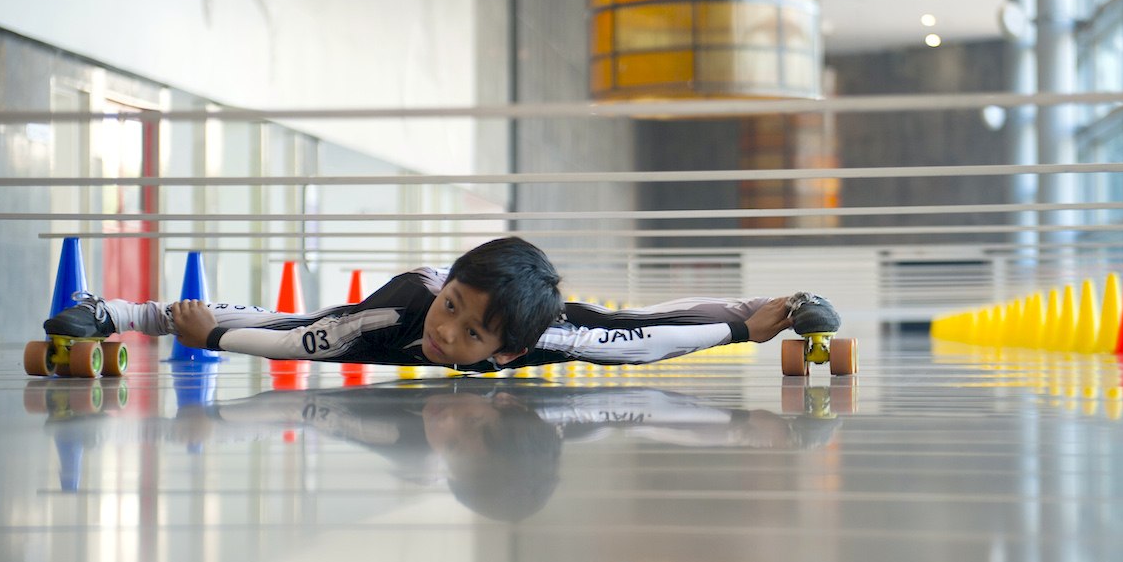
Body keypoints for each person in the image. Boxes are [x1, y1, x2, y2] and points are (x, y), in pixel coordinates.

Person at [43, 236, 841, 373]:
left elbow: (645, 341)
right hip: (393, 294)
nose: (445, 332)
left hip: (532, 306)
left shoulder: (536, 339)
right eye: (453, 311)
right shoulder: (406, 314)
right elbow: (299, 345)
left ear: (503, 352)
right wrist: (208, 333)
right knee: (303, 321)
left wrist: (748, 324)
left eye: (466, 331)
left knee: (615, 325)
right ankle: (110, 308)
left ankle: (786, 298)